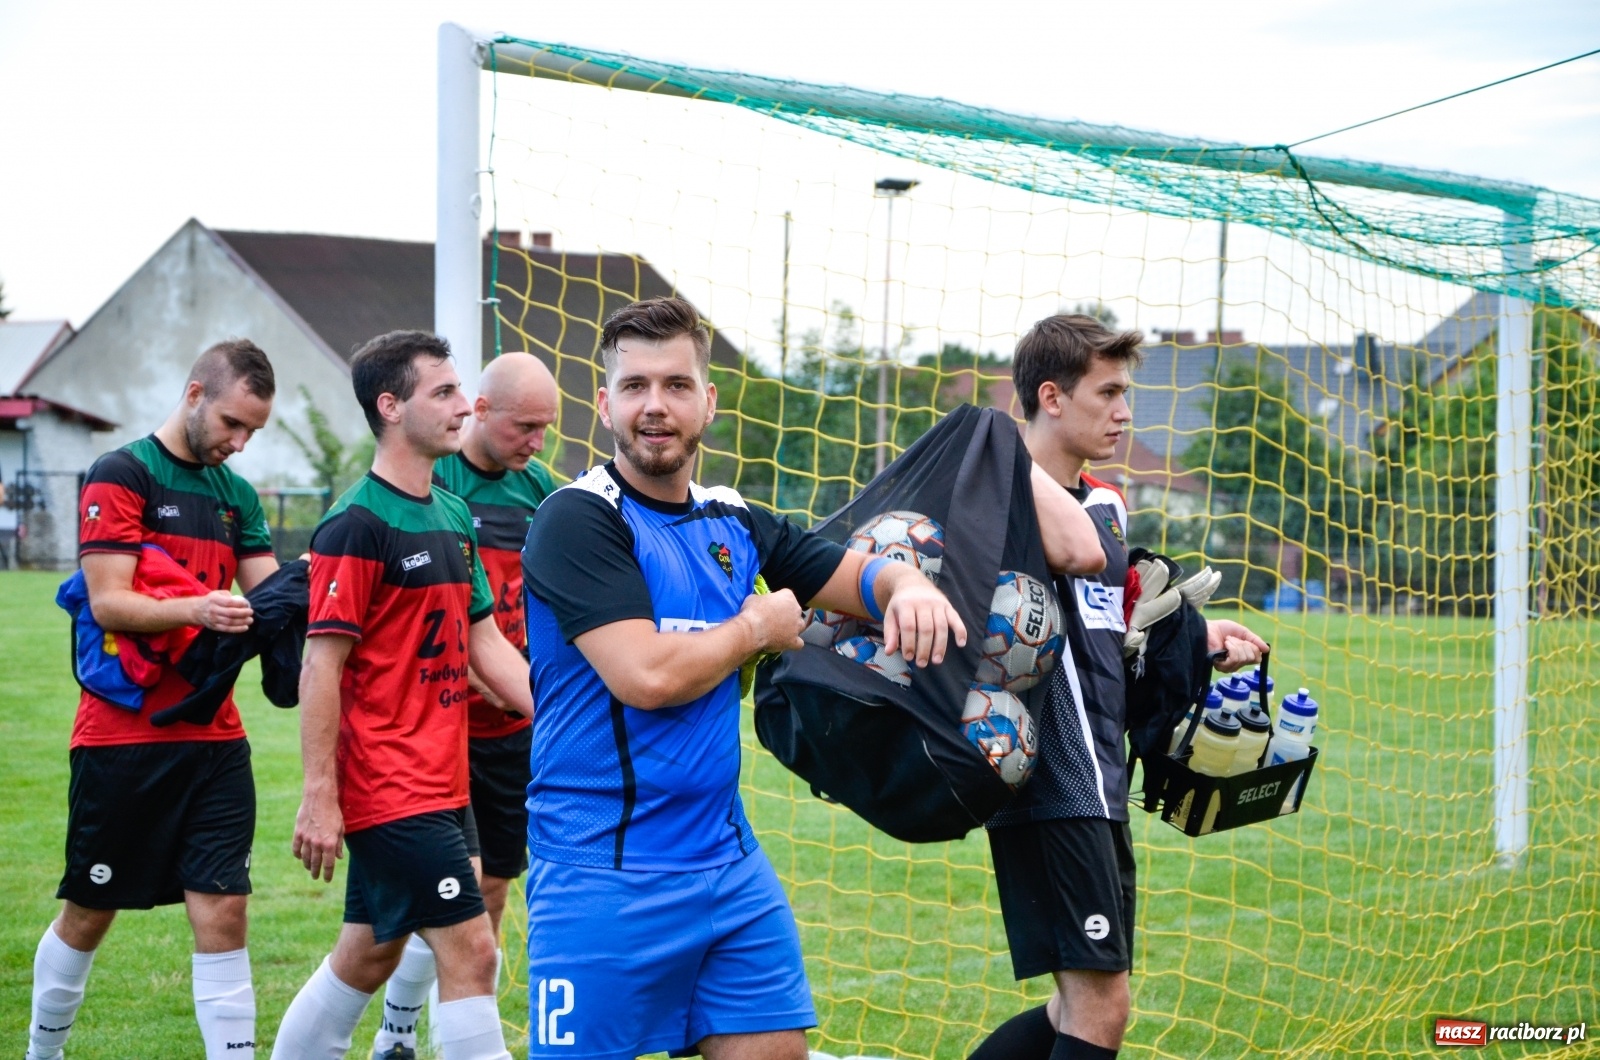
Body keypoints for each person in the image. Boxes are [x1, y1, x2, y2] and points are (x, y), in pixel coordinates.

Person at [523, 296, 1061, 1060]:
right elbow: (644, 675)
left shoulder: (733, 521)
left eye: (676, 385)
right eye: (635, 386)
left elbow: (851, 574)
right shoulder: (579, 519)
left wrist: (904, 588)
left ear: (707, 402)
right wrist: (757, 629)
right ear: (605, 403)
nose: (655, 406)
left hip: (725, 867)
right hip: (602, 876)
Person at [969, 314, 1269, 1060]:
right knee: (1102, 1006)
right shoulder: (997, 497)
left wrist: (1196, 638)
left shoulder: (1104, 503)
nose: (1125, 412)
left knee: (1078, 1002)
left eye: (1125, 393)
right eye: (1108, 393)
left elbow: (1105, 629)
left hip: (1103, 778)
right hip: (1050, 781)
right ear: (1052, 397)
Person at [271, 331, 534, 1060]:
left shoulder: (451, 516)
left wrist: (568, 719)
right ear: (390, 406)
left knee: (369, 954)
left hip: (446, 783)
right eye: (444, 392)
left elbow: (487, 645)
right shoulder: (357, 524)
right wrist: (320, 794)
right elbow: (321, 666)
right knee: (473, 953)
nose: (464, 404)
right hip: (388, 787)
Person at [26, 340, 279, 1060]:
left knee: (226, 908)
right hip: (121, 738)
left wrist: (320, 583)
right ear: (195, 392)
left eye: (253, 432)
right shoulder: (121, 473)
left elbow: (267, 596)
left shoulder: (238, 496)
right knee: (90, 911)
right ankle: (44, 1051)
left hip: (215, 739)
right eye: (232, 423)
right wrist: (199, 609)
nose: (239, 443)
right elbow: (108, 603)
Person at [369, 352, 559, 1060]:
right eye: (526, 427)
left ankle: (436, 1036)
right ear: (482, 410)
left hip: (514, 720)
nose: (537, 443)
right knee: (450, 898)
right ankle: (400, 1033)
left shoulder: (539, 490)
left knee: (494, 889)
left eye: (546, 428)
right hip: (437, 727)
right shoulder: (431, 482)